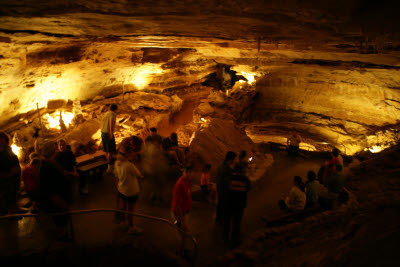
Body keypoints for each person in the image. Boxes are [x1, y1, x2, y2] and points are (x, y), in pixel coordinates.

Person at [114, 148, 144, 234]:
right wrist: (135, 164)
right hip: (131, 191)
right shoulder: (129, 165)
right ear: (128, 155)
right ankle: (131, 227)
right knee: (130, 210)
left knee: (123, 207)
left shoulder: (117, 163)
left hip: (121, 189)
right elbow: (139, 174)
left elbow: (116, 176)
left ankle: (123, 222)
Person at [224, 164, 250, 247]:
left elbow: (226, 188)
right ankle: (234, 240)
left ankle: (225, 238)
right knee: (237, 223)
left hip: (229, 203)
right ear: (242, 171)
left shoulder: (229, 179)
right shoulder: (245, 180)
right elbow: (248, 188)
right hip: (239, 204)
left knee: (227, 221)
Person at [171, 164, 194, 257]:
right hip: (180, 214)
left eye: (191, 172)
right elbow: (177, 205)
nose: (189, 174)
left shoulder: (187, 181)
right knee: (181, 234)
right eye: (187, 172)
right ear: (184, 172)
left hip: (185, 212)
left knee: (184, 234)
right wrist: (182, 220)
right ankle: (180, 253)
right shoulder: (179, 184)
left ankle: (182, 250)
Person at [0, 131, 21, 215]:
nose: (1, 141)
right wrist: (8, 173)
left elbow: (14, 159)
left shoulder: (8, 149)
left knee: (13, 194)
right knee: (6, 196)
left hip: (13, 177)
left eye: (2, 139)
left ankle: (14, 209)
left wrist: (16, 169)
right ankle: (8, 211)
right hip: (4, 178)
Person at [216, 151, 237, 224]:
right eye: (234, 159)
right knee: (223, 206)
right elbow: (225, 181)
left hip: (220, 190)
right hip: (223, 191)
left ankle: (219, 219)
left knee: (220, 205)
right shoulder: (224, 168)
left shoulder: (222, 166)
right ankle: (221, 221)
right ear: (231, 159)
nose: (234, 161)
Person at [101, 104, 118, 173]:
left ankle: (107, 164)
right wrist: (111, 133)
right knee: (110, 150)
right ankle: (109, 167)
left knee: (105, 149)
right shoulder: (113, 114)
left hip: (103, 133)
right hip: (108, 133)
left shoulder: (105, 114)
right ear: (115, 109)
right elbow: (111, 122)